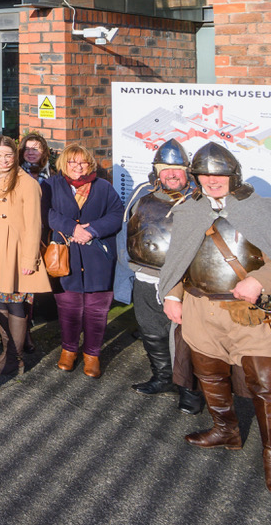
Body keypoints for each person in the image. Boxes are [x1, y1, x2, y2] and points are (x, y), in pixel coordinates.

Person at [159, 143, 271, 499]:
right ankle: (226, 430)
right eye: (203, 174)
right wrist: (173, 294)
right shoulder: (190, 209)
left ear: (232, 176)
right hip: (201, 309)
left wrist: (259, 281)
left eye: (217, 174)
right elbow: (179, 259)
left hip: (251, 316)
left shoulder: (260, 210)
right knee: (209, 373)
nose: (210, 180)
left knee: (268, 384)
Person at [118, 139, 204, 412]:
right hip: (145, 275)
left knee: (185, 336)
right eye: (165, 169)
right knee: (151, 330)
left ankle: (189, 389)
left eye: (177, 169)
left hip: (183, 281)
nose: (171, 174)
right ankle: (163, 377)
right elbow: (126, 228)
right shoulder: (142, 192)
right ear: (157, 171)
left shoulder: (200, 199)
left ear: (187, 170)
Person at [43, 144, 123, 378]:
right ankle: (69, 351)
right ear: (63, 164)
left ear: (90, 164)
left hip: (98, 258)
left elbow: (117, 215)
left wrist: (93, 230)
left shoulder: (103, 187)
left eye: (83, 162)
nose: (78, 167)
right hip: (65, 257)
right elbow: (46, 212)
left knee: (97, 310)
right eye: (72, 162)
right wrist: (72, 228)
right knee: (69, 308)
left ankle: (92, 355)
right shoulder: (51, 185)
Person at [0, 136, 50, 376]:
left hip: (16, 250)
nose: (3, 160)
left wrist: (29, 260)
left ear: (15, 156)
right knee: (0, 301)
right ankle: (7, 352)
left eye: (7, 155)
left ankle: (15, 359)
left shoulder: (27, 183)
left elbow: (34, 225)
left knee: (16, 302)